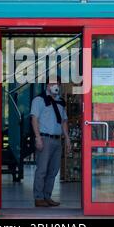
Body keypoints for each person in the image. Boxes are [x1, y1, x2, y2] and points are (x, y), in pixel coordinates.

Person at [30, 76, 72, 207]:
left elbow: (64, 121)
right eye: (53, 83)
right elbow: (34, 119)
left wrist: (68, 139)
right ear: (47, 85)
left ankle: (47, 196)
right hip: (44, 138)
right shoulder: (39, 100)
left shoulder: (61, 101)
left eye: (58, 83)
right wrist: (37, 138)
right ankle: (38, 197)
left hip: (57, 140)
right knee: (42, 169)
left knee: (53, 170)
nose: (56, 86)